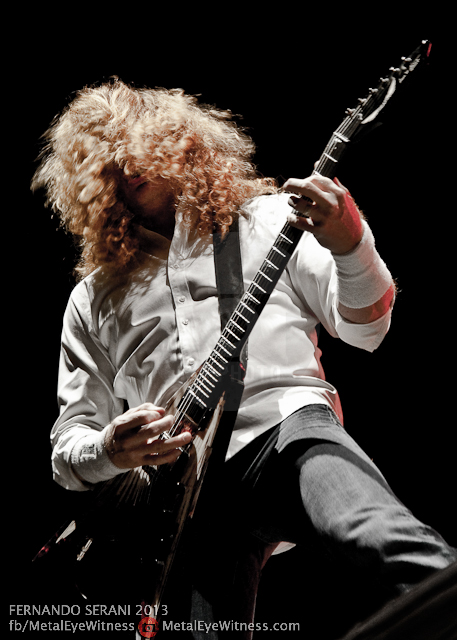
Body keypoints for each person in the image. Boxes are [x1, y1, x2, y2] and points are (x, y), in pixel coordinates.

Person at [32, 79, 456, 638]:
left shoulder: (269, 221)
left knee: (384, 537)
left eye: (139, 146)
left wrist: (350, 240)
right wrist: (111, 448)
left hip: (286, 425)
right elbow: (68, 447)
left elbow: (367, 329)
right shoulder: (92, 299)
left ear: (177, 140)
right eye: (109, 160)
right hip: (183, 501)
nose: (129, 166)